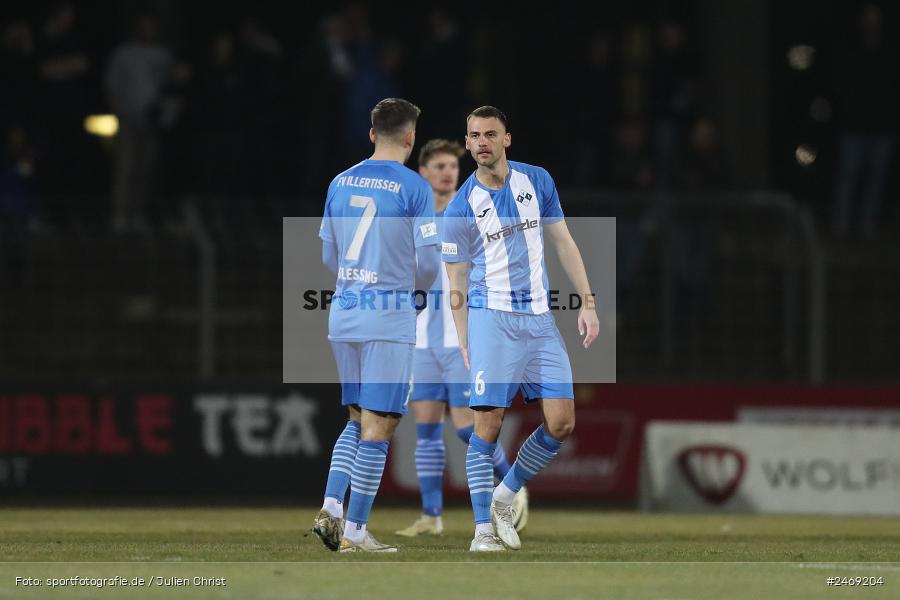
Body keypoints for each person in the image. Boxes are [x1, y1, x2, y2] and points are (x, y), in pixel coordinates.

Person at [442, 106, 600, 552]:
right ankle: (481, 532)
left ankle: (505, 495)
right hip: (491, 318)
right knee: (486, 425)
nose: (482, 142)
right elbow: (455, 280)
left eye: (491, 134)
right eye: (474, 135)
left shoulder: (538, 181)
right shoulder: (460, 207)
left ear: (507, 139)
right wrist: (464, 337)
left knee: (562, 422)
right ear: (468, 143)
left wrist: (587, 301)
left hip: (540, 320)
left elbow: (563, 241)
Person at [312, 98, 440, 553]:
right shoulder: (415, 187)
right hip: (388, 316)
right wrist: (417, 292)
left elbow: (329, 255)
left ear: (371, 134)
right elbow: (427, 263)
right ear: (410, 138)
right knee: (380, 425)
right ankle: (355, 530)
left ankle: (332, 503)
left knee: (355, 418)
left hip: (344, 312)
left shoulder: (339, 181)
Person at [394, 139, 527, 538]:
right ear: (423, 173)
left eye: (452, 165)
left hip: (460, 339)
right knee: (427, 428)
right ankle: (432, 515)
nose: (448, 172)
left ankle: (513, 488)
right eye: (438, 166)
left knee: (468, 427)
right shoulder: (411, 220)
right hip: (420, 342)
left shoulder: (470, 212)